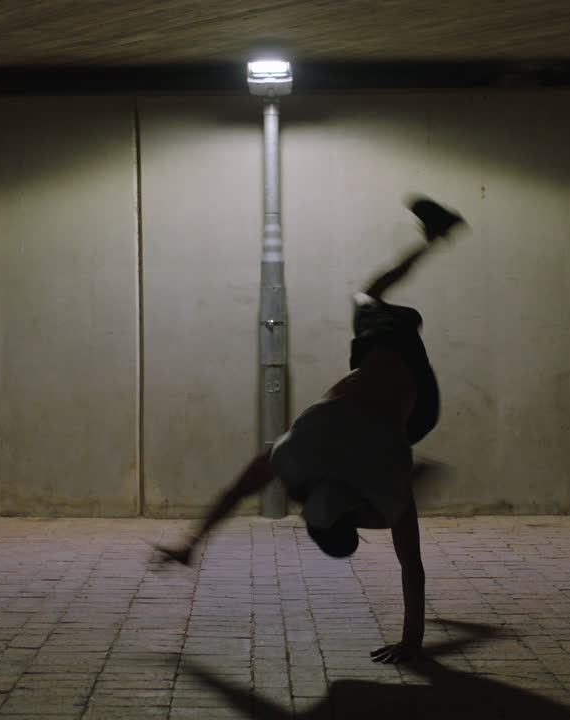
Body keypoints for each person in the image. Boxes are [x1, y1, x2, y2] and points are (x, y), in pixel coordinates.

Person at [152, 196, 465, 664]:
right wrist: (190, 544)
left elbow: (411, 564)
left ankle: (433, 236)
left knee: (371, 301)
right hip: (390, 377)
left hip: (418, 406)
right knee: (367, 295)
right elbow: (235, 493)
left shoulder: (379, 481)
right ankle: (432, 237)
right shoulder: (296, 457)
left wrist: (413, 641)